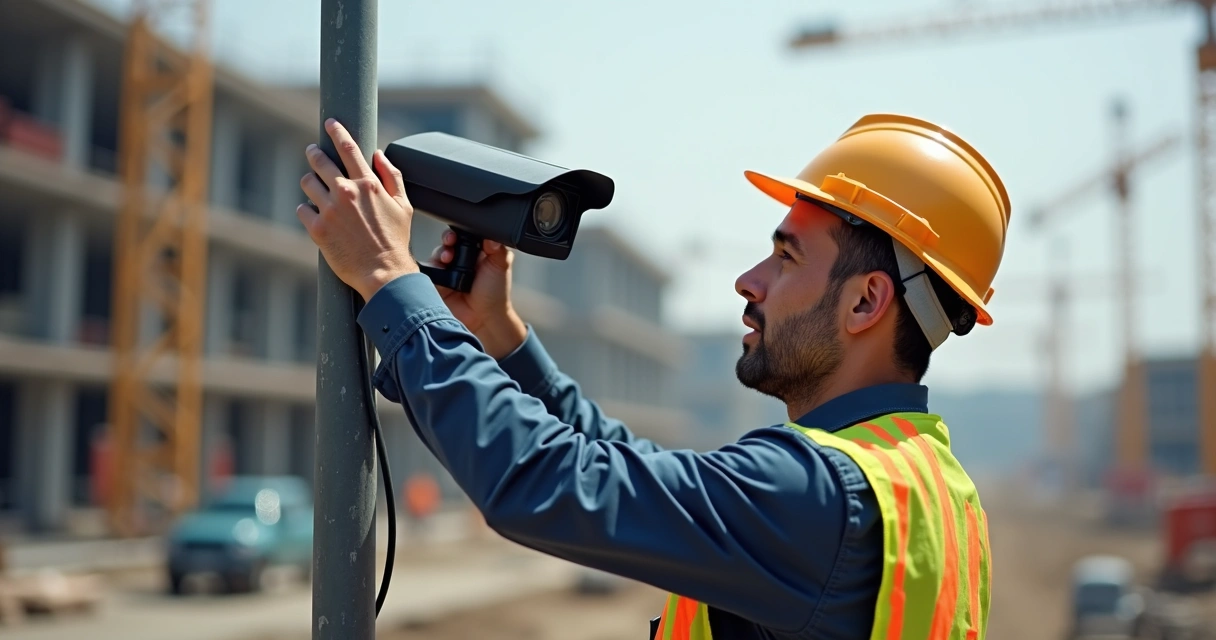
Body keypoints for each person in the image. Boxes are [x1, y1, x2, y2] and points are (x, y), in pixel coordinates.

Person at [297, 113, 1009, 640]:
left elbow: (548, 483)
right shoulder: (928, 489)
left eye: (786, 258)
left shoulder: (818, 495)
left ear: (865, 302)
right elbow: (635, 475)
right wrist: (498, 335)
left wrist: (392, 280)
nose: (747, 281)